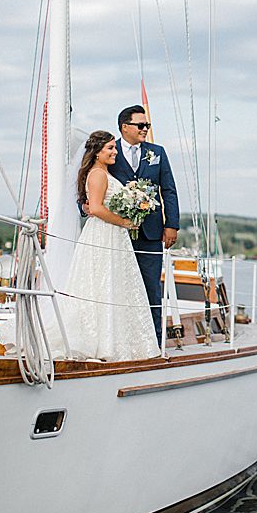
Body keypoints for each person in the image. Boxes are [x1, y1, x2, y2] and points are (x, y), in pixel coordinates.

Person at [55, 130, 160, 362]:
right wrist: (124, 221)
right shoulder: (98, 175)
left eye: (114, 147)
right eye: (110, 148)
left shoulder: (103, 173)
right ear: (97, 152)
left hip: (113, 235)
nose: (114, 152)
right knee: (102, 282)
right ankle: (103, 343)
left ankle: (113, 341)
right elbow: (96, 208)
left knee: (112, 284)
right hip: (104, 234)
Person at [110, 104, 179, 343]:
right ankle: (121, 340)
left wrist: (172, 224)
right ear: (124, 127)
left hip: (151, 233)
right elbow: (92, 178)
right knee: (119, 287)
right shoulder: (110, 151)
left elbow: (168, 191)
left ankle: (154, 341)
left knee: (151, 288)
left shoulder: (157, 152)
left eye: (147, 125)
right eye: (141, 125)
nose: (145, 129)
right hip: (117, 232)